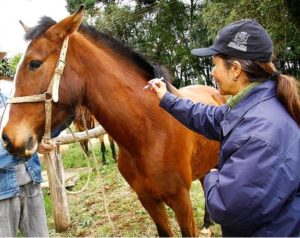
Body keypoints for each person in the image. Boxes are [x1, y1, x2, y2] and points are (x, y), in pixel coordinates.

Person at [146, 19, 300, 236]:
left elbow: (227, 207)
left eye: (215, 64)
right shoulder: (253, 105)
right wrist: (167, 98)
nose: (211, 73)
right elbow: (209, 117)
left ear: (235, 70)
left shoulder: (260, 133)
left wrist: (211, 175)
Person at [0, 88, 73, 237]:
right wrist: (26, 151)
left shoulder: (12, 100)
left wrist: (69, 113)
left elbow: (34, 132)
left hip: (30, 184)